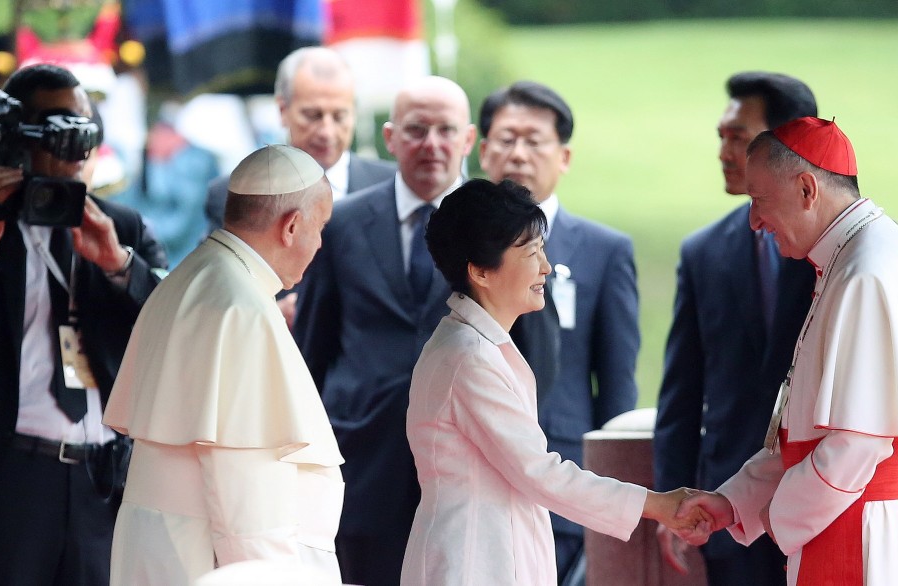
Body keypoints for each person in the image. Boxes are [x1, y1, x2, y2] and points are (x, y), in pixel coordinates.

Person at [678, 117, 898, 585]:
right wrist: (734, 502)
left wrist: (777, 514)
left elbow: (858, 444)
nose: (754, 221)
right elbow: (806, 433)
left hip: (869, 534)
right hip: (851, 514)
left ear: (807, 189)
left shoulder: (867, 272)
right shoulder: (851, 257)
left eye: (759, 200)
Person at [401, 178, 705, 585]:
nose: (545, 266)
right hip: (472, 562)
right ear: (480, 272)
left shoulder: (475, 344)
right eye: (530, 253)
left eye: (542, 249)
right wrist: (656, 504)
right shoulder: (468, 357)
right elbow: (540, 472)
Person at [0, 63, 167, 585]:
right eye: (56, 132)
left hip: (100, 482)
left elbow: (172, 332)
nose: (74, 149)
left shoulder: (121, 227)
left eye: (83, 132)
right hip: (4, 481)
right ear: (14, 137)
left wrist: (119, 266)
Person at [103, 145, 343, 585]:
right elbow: (246, 496)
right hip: (206, 560)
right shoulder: (241, 307)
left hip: (163, 547)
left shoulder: (191, 276)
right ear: (291, 226)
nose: (321, 242)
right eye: (320, 226)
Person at [292, 75, 477, 586]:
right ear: (391, 138)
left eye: (446, 130)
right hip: (364, 464)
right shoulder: (343, 223)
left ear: (469, 140)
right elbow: (311, 350)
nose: (432, 145)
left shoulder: (497, 231)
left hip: (467, 468)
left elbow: (531, 360)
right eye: (417, 130)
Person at [652, 72, 818, 585]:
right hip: (727, 507)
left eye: (738, 137)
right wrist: (672, 502)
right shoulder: (702, 252)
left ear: (786, 145)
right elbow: (683, 391)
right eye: (721, 136)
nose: (723, 151)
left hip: (820, 500)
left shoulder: (837, 252)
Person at [476, 80, 640, 582]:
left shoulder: (603, 250)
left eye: (534, 140)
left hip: (563, 476)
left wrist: (613, 495)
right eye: (506, 139)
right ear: (483, 151)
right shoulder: (450, 243)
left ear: (563, 156)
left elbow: (616, 385)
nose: (519, 154)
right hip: (471, 478)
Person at [204, 46, 395, 235]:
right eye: (312, 115)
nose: (326, 132)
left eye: (339, 116)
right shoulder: (233, 197)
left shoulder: (393, 190)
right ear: (282, 110)